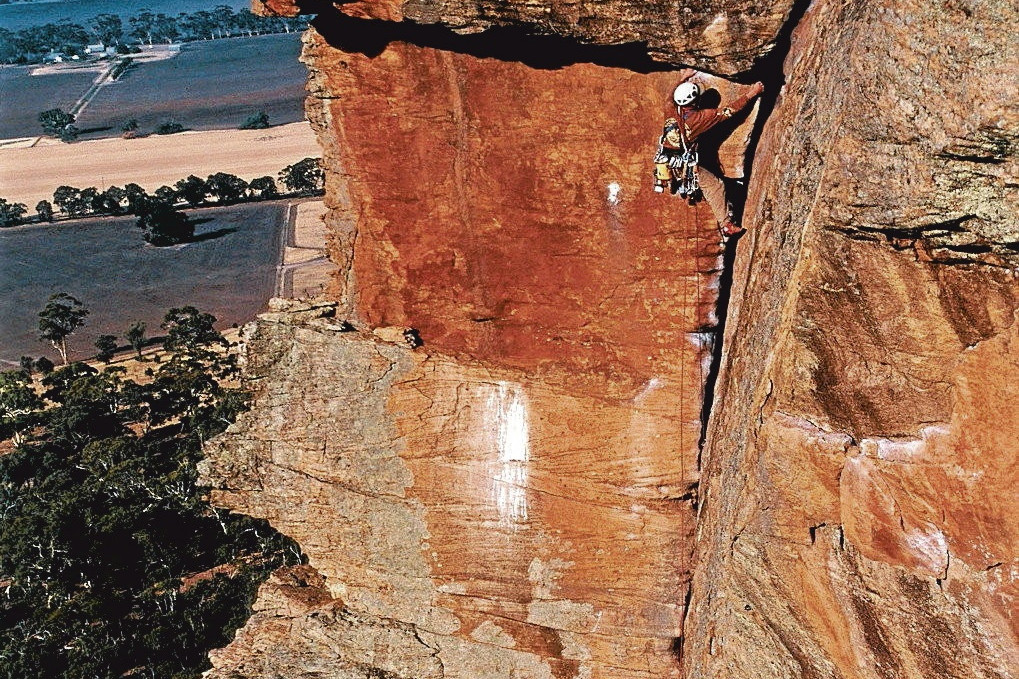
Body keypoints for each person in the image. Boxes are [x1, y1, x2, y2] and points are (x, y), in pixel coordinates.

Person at [654, 70, 764, 238]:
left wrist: (683, 77)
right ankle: (727, 224)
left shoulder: (669, 109)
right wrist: (752, 93)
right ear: (695, 100)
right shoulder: (701, 118)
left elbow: (670, 95)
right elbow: (729, 111)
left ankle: (671, 181)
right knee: (715, 185)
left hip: (666, 160)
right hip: (684, 164)